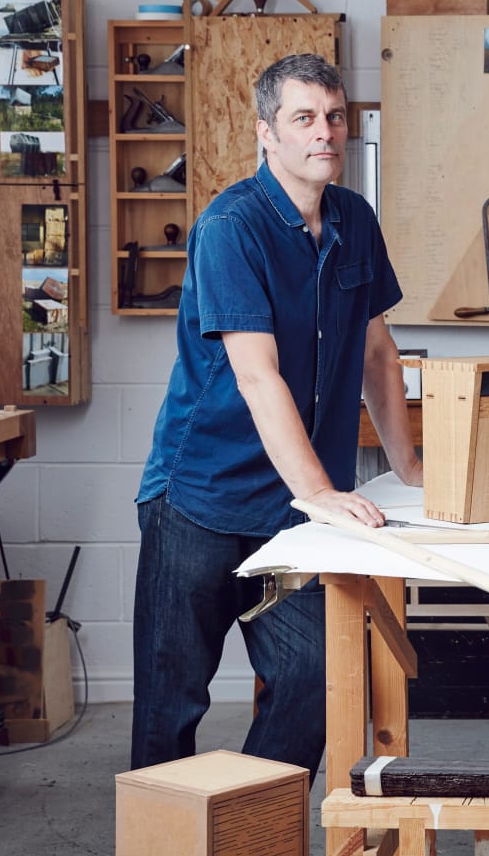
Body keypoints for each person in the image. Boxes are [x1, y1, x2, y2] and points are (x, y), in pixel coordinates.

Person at [130, 53, 423, 777]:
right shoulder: (231, 226)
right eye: (303, 118)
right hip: (199, 500)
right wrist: (319, 492)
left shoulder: (353, 219)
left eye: (333, 116)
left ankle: (242, 831)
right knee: (170, 707)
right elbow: (257, 375)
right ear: (267, 133)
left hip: (291, 518)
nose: (324, 132)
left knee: (318, 675)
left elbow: (378, 354)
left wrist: (411, 469)